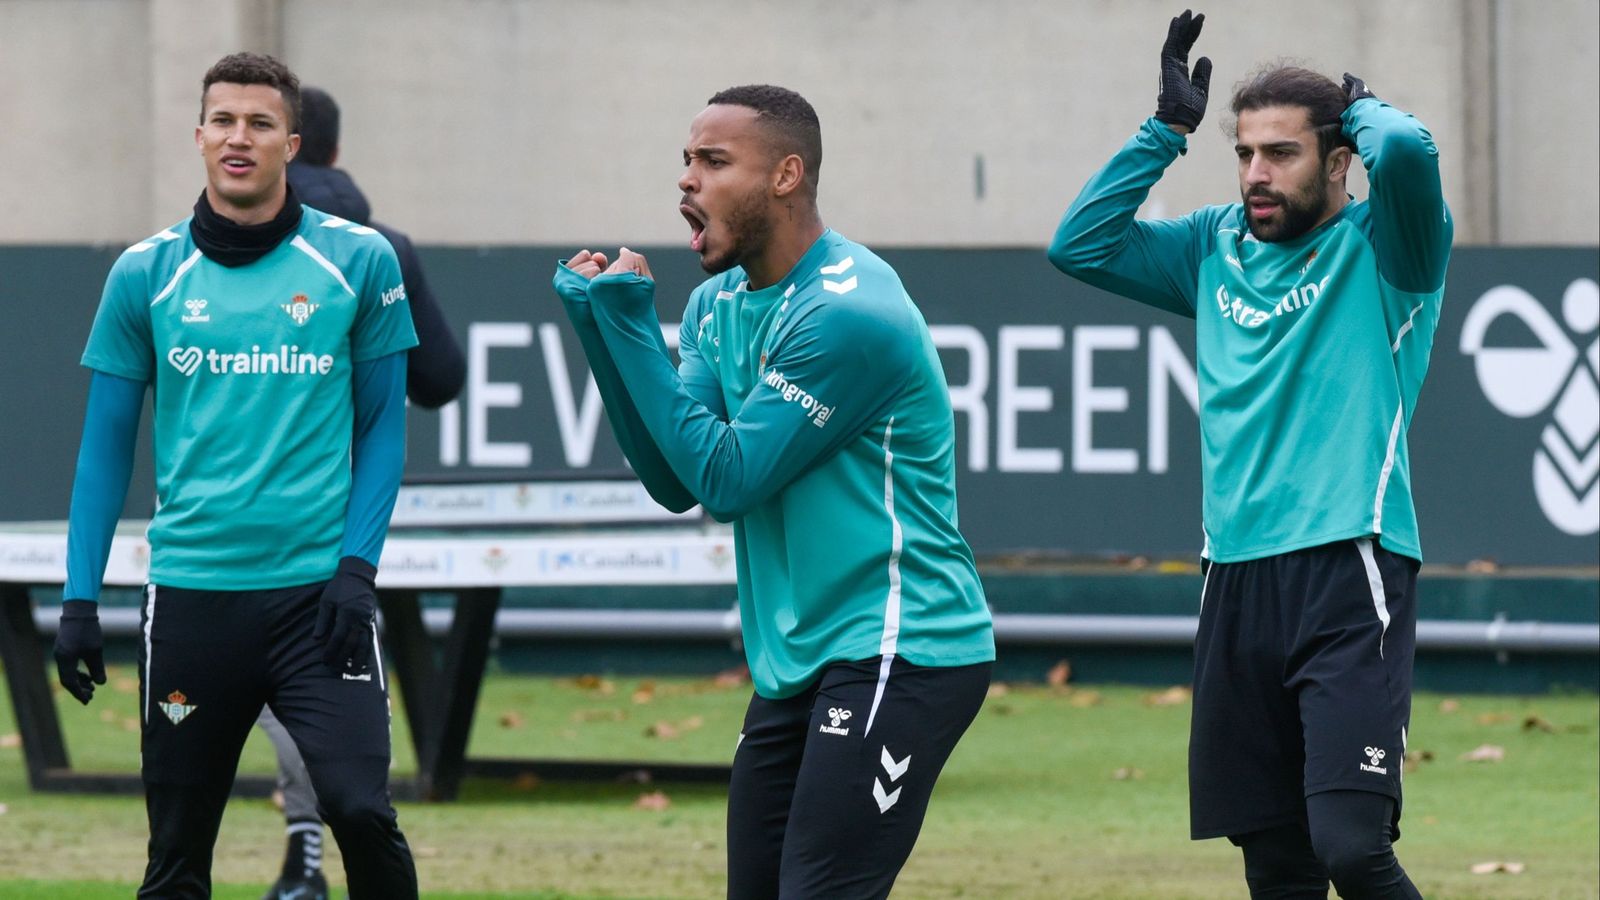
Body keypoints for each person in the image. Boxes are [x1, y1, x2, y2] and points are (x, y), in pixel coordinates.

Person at [553, 84, 995, 899]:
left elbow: (728, 480)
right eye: (686, 161)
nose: (688, 180)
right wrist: (598, 329)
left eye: (714, 162)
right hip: (798, 659)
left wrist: (624, 328)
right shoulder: (718, 302)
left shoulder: (849, 313)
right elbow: (672, 480)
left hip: (900, 645)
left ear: (787, 175)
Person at [1048, 10, 1450, 899]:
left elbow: (1413, 159)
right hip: (1232, 577)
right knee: (1275, 861)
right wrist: (1165, 134)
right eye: (1245, 153)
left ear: (1340, 162)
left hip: (1351, 567)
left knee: (1350, 847)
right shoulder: (1211, 245)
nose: (1256, 175)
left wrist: (1371, 110)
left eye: (1283, 153)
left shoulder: (1389, 248)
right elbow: (1079, 244)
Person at [51, 52, 420, 899]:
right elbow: (103, 449)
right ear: (200, 137)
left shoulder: (359, 263)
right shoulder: (146, 272)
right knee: (177, 854)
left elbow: (382, 432)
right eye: (224, 121)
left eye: (260, 122)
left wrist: (357, 570)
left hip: (319, 604)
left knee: (361, 810)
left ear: (293, 141)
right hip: (190, 600)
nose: (239, 138)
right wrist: (78, 601)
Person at [251, 84, 467, 900]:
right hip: (347, 516)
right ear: (333, 151)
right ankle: (321, 850)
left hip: (237, 514)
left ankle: (305, 852)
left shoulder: (207, 242)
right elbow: (442, 380)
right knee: (327, 684)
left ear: (286, 145)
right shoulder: (384, 246)